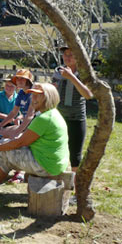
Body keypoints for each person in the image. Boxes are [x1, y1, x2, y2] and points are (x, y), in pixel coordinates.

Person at [0, 83, 69, 200]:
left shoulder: (44, 118)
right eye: (33, 95)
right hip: (54, 162)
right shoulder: (52, 114)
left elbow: (21, 142)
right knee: (7, 148)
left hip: (46, 165)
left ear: (48, 97)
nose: (33, 98)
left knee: (4, 153)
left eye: (38, 95)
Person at [53, 46, 93, 205]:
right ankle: (55, 188)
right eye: (65, 55)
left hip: (76, 119)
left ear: (78, 58)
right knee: (57, 152)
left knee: (75, 157)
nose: (67, 58)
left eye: (71, 55)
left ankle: (79, 194)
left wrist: (71, 77)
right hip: (59, 119)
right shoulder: (58, 71)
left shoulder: (84, 74)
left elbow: (88, 95)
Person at [0, 69, 35, 182]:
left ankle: (18, 173)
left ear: (28, 80)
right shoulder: (21, 93)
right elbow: (14, 112)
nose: (18, 81)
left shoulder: (32, 94)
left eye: (21, 78)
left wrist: (18, 131)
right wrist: (0, 126)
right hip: (24, 125)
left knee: (15, 142)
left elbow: (30, 116)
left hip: (34, 126)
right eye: (17, 78)